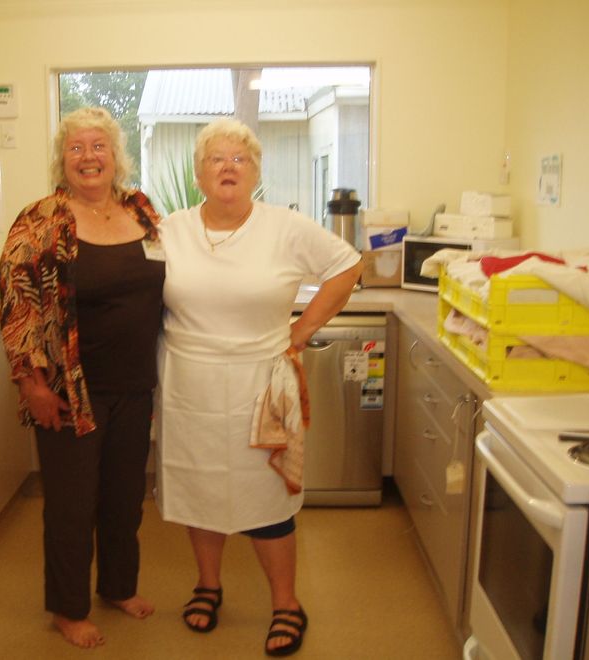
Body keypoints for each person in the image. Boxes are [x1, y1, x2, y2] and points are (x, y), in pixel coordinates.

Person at [155, 118, 363, 657]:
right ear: (198, 173)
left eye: (239, 159)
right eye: (216, 159)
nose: (228, 167)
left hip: (261, 382)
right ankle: (208, 585)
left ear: (255, 172)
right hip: (188, 384)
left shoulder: (285, 227)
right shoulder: (169, 230)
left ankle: (286, 604)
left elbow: (346, 265)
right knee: (200, 491)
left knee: (267, 497)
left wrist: (303, 329)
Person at [0, 107, 165, 649]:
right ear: (62, 159)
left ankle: (118, 587)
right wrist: (32, 385)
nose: (88, 157)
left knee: (124, 498)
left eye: (98, 146)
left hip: (135, 384)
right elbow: (17, 307)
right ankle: (68, 609)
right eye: (76, 148)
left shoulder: (141, 210)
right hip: (68, 389)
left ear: (116, 155)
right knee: (71, 506)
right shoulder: (40, 219)